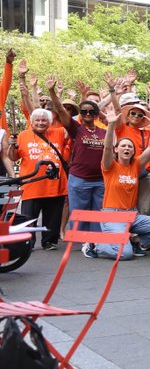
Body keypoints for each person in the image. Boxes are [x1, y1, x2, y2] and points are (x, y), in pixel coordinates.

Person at [95, 106, 150, 259]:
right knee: (125, 255)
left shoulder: (136, 165)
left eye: (130, 146)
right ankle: (97, 244)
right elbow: (106, 148)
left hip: (132, 215)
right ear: (116, 150)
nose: (127, 148)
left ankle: (133, 240)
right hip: (113, 215)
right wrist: (111, 124)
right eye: (123, 146)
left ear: (133, 151)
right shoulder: (109, 166)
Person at [48, 82, 106, 240]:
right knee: (79, 211)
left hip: (100, 179)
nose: (88, 114)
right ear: (80, 113)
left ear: (96, 114)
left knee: (97, 212)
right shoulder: (76, 128)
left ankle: (95, 240)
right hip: (79, 178)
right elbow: (60, 110)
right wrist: (52, 91)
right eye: (84, 111)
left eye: (91, 111)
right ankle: (82, 239)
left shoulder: (103, 131)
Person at [15, 107, 69, 249]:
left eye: (44, 120)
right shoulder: (22, 135)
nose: (40, 122)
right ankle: (27, 243)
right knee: (28, 217)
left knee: (53, 217)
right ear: (31, 122)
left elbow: (72, 124)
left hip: (54, 184)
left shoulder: (58, 132)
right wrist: (11, 147)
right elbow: (14, 157)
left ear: (50, 122)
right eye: (37, 120)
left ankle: (49, 241)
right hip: (31, 184)